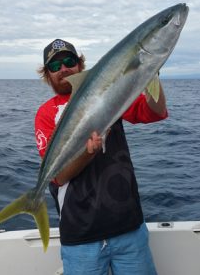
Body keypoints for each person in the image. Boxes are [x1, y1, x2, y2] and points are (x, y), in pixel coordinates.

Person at [35, 39, 168, 275]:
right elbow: (58, 178)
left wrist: (151, 70)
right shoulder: (46, 114)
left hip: (128, 228)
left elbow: (154, 113)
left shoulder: (109, 92)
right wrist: (87, 154)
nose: (63, 69)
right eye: (55, 66)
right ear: (47, 75)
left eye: (69, 61)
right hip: (81, 238)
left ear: (80, 65)